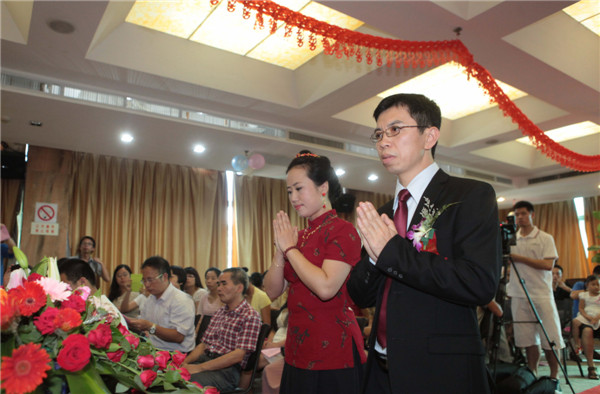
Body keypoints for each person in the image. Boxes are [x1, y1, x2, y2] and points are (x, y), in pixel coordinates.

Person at [346, 93, 501, 394]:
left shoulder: (469, 196)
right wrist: (376, 257)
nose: (382, 141)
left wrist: (391, 251)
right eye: (378, 134)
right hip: (379, 370)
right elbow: (360, 294)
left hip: (440, 370)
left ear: (429, 135)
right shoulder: (383, 214)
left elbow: (479, 283)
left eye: (394, 129)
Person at [264, 150, 366, 394]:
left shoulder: (343, 230)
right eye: (289, 191)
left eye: (299, 188)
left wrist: (289, 248)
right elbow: (271, 291)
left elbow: (326, 288)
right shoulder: (297, 236)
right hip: (298, 346)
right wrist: (280, 249)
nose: (293, 197)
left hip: (333, 348)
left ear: (323, 188)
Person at [507, 200, 564, 381]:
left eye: (523, 213)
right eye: (517, 214)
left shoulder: (545, 238)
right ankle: (533, 374)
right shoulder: (512, 239)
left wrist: (518, 258)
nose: (520, 217)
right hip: (518, 294)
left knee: (551, 338)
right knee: (527, 339)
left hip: (541, 294)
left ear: (532, 214)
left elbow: (548, 264)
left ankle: (554, 378)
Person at [183, 268, 261, 391]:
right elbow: (203, 345)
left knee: (186, 382)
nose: (218, 288)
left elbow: (238, 355)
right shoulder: (220, 312)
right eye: (218, 284)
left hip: (227, 371)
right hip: (206, 360)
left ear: (239, 288)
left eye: (224, 284)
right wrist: (184, 364)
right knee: (174, 374)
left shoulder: (250, 315)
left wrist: (200, 368)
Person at [126, 256, 196, 352]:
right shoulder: (151, 299)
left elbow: (178, 337)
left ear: (164, 277)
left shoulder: (181, 300)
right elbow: (145, 326)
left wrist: (150, 327)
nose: (146, 285)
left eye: (150, 280)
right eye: (144, 280)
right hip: (154, 350)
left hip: (176, 355)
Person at [58, 258, 127, 326]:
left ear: (82, 282)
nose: (63, 294)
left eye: (66, 288)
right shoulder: (94, 304)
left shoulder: (104, 313)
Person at [572, 274, 600, 379]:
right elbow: (581, 308)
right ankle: (591, 366)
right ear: (587, 285)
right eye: (594, 284)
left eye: (599, 285)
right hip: (586, 319)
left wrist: (596, 318)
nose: (597, 287)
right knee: (587, 331)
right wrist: (588, 317)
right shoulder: (584, 295)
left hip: (598, 318)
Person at [196, 267, 224, 340]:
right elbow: (200, 319)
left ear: (219, 280)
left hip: (219, 332)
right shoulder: (204, 297)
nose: (209, 281)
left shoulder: (223, 297)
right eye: (207, 278)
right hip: (205, 331)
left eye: (213, 278)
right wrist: (195, 334)